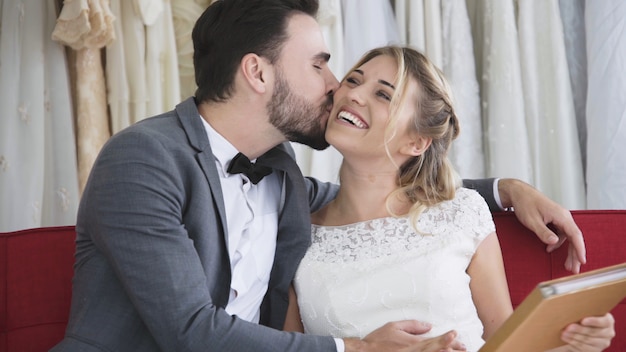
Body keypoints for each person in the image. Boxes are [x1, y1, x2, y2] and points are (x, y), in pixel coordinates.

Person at [51, 0, 598, 351]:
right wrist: (357, 349)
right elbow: (190, 332)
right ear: (257, 72)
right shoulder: (143, 159)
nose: (337, 86)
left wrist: (507, 190)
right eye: (319, 64)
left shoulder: (283, 176)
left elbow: (376, 196)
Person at [285, 46, 615, 351]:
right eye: (353, 80)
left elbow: (509, 342)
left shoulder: (462, 213)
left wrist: (571, 344)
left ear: (416, 142)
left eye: (383, 94)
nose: (353, 94)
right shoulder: (294, 233)